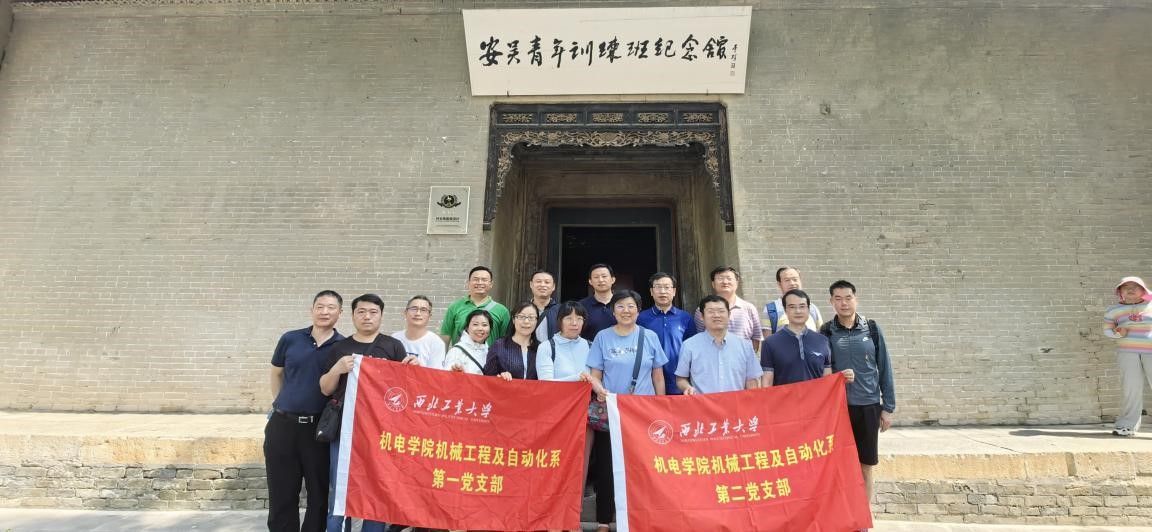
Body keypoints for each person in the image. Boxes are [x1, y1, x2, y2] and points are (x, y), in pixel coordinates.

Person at [319, 294, 416, 532]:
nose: (367, 317)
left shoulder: (392, 346)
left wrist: (412, 370)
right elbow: (325, 389)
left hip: (380, 431)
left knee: (376, 488)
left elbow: (403, 391)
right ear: (353, 315)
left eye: (373, 312)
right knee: (340, 488)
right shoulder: (340, 348)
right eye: (361, 312)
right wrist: (337, 369)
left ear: (381, 316)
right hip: (345, 428)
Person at [586, 290, 668, 532]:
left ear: (638, 310)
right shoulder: (603, 337)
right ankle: (603, 520)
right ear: (613, 311)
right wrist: (599, 389)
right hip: (612, 411)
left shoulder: (649, 336)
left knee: (643, 466)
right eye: (620, 306)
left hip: (643, 413)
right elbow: (595, 374)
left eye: (631, 306)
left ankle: (642, 517)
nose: (626, 311)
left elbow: (658, 376)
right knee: (606, 467)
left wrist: (661, 407)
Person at [265, 290, 344, 532]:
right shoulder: (290, 339)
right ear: (312, 310)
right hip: (283, 425)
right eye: (320, 306)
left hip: (319, 429)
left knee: (318, 494)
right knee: (281, 491)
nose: (324, 312)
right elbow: (276, 373)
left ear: (340, 313)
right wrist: (281, 402)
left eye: (331, 307)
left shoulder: (343, 346)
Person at [821, 280, 895, 512]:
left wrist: (888, 407)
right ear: (831, 302)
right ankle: (843, 513)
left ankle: (862, 514)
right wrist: (838, 377)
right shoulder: (826, 331)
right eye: (838, 298)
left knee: (866, 464)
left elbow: (885, 367)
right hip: (839, 409)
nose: (844, 303)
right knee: (840, 464)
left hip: (868, 406)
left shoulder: (871, 329)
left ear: (856, 299)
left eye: (848, 298)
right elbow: (822, 370)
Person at [536, 300, 604, 532]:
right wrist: (577, 378)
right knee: (554, 466)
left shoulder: (590, 346)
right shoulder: (548, 346)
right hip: (555, 418)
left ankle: (572, 518)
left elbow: (597, 378)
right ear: (559, 321)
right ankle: (551, 517)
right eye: (569, 318)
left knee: (580, 467)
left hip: (584, 416)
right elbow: (546, 383)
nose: (574, 323)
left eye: (579, 318)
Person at [675, 295, 762, 395]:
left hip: (736, 403)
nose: (716, 315)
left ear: (729, 315)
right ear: (702, 317)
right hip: (703, 403)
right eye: (711, 311)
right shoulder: (689, 345)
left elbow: (752, 379)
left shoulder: (745, 346)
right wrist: (687, 388)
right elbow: (681, 378)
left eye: (721, 311)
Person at [1104, 276, 1152, 437]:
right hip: (1127, 353)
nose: (1130, 289)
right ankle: (1127, 426)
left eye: (1135, 286)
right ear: (1120, 292)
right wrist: (1117, 333)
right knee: (1131, 389)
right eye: (1126, 287)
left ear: (1143, 290)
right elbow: (1107, 330)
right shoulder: (1113, 310)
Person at [761, 289, 838, 387]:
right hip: (785, 397)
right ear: (785, 310)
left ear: (808, 309)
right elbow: (767, 381)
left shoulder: (823, 341)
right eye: (792, 307)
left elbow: (827, 379)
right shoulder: (770, 343)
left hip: (816, 397)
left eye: (802, 306)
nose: (798, 311)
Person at [636, 272, 696, 395]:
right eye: (658, 287)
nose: (662, 292)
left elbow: (693, 348)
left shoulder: (685, 317)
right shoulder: (641, 318)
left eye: (667, 287)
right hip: (649, 382)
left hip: (679, 381)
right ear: (651, 292)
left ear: (674, 291)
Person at [693, 266, 763, 352]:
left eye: (729, 278)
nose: (725, 282)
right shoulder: (702, 310)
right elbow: (698, 338)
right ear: (713, 284)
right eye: (720, 278)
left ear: (737, 282)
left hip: (743, 358)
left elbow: (756, 339)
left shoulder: (749, 308)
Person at [439, 266, 510, 346]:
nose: (480, 282)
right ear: (468, 283)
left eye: (484, 280)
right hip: (461, 353)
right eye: (476, 279)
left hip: (489, 354)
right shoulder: (455, 307)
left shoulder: (502, 311)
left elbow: (506, 341)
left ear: (491, 284)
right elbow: (445, 336)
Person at [484, 301, 541, 380]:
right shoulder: (499, 346)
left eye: (531, 317)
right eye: (521, 317)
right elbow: (487, 377)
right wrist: (500, 376)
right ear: (513, 319)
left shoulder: (541, 348)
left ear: (537, 321)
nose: (526, 321)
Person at [391, 295, 447, 371]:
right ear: (405, 312)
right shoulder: (394, 338)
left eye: (423, 310)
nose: (418, 313)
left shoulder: (436, 343)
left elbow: (436, 376)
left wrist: (419, 368)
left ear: (429, 316)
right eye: (414, 309)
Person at [764, 266, 824, 335]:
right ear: (779, 284)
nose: (792, 283)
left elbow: (821, 334)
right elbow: (767, 339)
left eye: (795, 279)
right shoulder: (771, 309)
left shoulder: (812, 308)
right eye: (787, 280)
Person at [444, 309, 492, 375]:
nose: (480, 328)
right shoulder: (457, 351)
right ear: (467, 327)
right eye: (475, 324)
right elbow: (446, 376)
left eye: (484, 325)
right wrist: (455, 373)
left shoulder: (491, 352)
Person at [579, 263, 618, 342]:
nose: (600, 280)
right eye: (596, 277)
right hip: (590, 348)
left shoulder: (622, 304)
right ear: (590, 281)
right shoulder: (581, 306)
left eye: (604, 276)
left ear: (613, 279)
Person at [528, 270, 560, 342]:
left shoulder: (561, 311)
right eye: (538, 281)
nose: (542, 285)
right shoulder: (521, 310)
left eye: (547, 282)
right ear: (531, 284)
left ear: (553, 286)